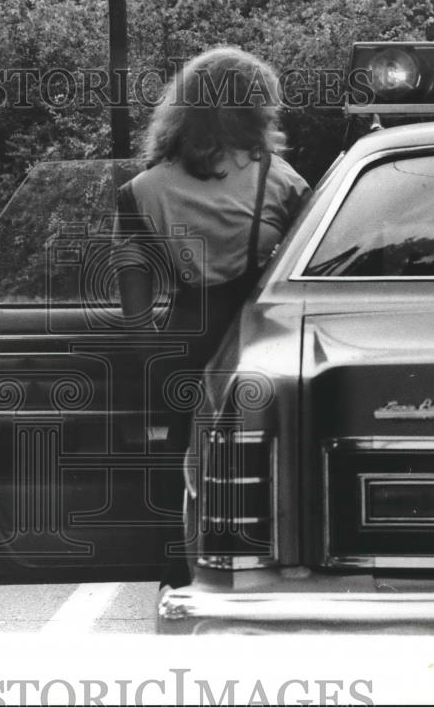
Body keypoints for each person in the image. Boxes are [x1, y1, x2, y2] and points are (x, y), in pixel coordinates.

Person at [113, 47, 311, 590]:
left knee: (181, 456)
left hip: (183, 332)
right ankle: (265, 565)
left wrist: (143, 341)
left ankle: (178, 572)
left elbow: (132, 273)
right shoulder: (278, 179)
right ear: (254, 111)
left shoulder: (143, 188)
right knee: (265, 449)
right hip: (259, 335)